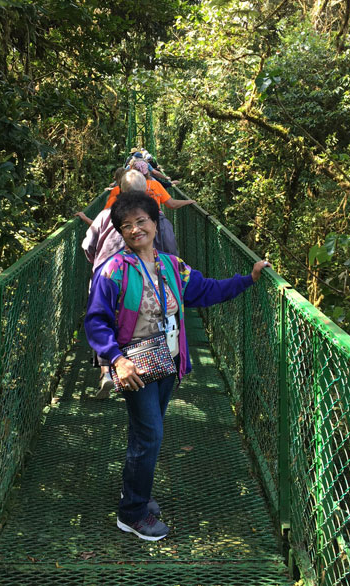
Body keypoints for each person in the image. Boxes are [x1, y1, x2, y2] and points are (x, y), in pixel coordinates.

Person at [84, 191, 272, 541]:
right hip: (135, 367)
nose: (135, 229)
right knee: (150, 434)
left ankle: (134, 494)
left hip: (168, 360)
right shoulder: (113, 271)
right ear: (121, 234)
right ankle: (132, 514)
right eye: (127, 226)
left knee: (145, 434)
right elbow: (95, 321)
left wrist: (248, 280)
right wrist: (117, 360)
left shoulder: (173, 266)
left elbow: (205, 291)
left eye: (141, 221)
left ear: (156, 223)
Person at [76, 171, 147, 398]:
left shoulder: (106, 215)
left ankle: (106, 373)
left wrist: (95, 260)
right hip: (133, 276)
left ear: (119, 189)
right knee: (130, 319)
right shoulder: (148, 218)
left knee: (102, 320)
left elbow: (88, 244)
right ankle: (135, 368)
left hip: (104, 276)